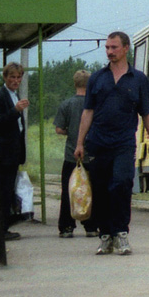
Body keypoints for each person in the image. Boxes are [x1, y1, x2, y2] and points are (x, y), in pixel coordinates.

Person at [74, 32, 149, 256]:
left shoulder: (138, 79)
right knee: (101, 189)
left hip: (124, 143)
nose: (110, 51)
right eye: (107, 48)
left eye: (114, 47)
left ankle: (121, 233)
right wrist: (80, 143)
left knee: (121, 184)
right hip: (97, 142)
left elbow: (147, 113)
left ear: (126, 49)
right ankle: (105, 236)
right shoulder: (97, 78)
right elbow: (88, 111)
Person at [0, 62, 28, 241]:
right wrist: (15, 110)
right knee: (1, 192)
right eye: (12, 77)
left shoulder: (13, 95)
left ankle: (4, 227)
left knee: (7, 191)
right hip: (2, 153)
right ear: (5, 77)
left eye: (19, 77)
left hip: (12, 153)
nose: (16, 80)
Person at [54, 69, 96, 238]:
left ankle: (66, 226)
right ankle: (91, 226)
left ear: (75, 84)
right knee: (91, 191)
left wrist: (71, 132)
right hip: (91, 155)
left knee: (68, 191)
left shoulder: (66, 104)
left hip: (71, 156)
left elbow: (59, 129)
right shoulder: (94, 104)